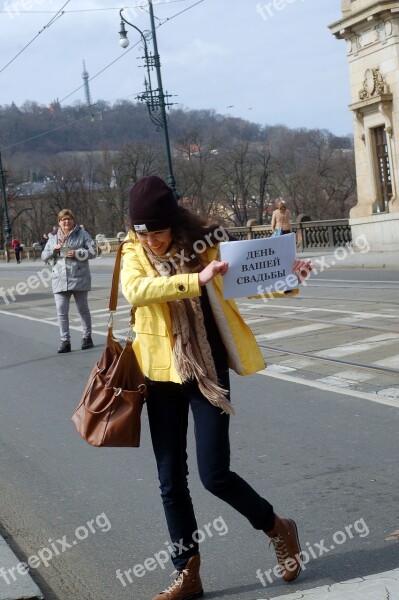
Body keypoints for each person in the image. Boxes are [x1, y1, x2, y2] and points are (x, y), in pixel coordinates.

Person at [120, 176, 313, 600]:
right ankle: (187, 573)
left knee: (214, 475)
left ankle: (277, 527)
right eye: (143, 232)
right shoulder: (132, 252)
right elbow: (135, 291)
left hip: (207, 371)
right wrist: (194, 280)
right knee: (171, 479)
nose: (150, 240)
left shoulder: (205, 246)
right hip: (159, 373)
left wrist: (288, 276)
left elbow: (246, 280)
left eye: (157, 231)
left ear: (173, 222)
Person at [41, 209, 96, 354]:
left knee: (83, 309)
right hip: (59, 278)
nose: (66, 222)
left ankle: (87, 337)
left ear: (73, 220)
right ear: (59, 222)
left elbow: (94, 251)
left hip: (79, 277)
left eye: (69, 219)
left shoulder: (82, 234)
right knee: (61, 311)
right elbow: (44, 256)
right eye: (63, 219)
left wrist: (78, 253)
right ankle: (65, 341)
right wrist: (54, 249)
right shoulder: (53, 237)